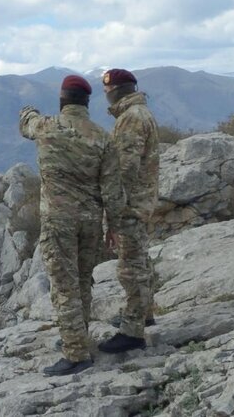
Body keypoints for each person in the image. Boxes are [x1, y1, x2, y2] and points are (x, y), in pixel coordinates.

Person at [19, 75, 124, 376]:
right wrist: (113, 226)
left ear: (63, 100)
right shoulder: (102, 137)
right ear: (87, 102)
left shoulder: (46, 126)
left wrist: (27, 109)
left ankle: (76, 354)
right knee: (82, 281)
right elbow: (112, 189)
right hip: (91, 222)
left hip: (59, 222)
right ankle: (78, 336)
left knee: (64, 286)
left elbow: (26, 123)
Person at [97, 68, 160, 354]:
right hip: (142, 202)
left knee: (130, 269)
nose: (106, 96)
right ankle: (144, 314)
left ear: (117, 91)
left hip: (130, 206)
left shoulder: (130, 119)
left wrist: (112, 213)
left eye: (107, 91)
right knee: (140, 261)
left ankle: (132, 332)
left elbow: (124, 170)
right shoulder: (140, 113)